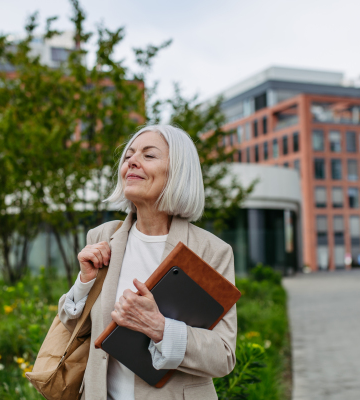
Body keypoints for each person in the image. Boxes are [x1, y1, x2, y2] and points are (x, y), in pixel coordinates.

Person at [58, 125, 237, 400]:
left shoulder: (210, 251)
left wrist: (160, 328)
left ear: (178, 171)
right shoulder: (103, 238)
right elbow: (78, 331)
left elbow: (224, 355)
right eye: (128, 155)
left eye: (149, 155)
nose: (132, 161)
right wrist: (84, 284)